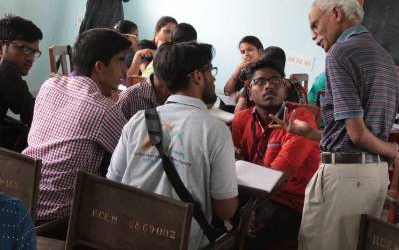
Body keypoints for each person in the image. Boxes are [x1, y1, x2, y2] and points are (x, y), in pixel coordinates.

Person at [270, 0, 399, 250]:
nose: (313, 35)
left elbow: (358, 135)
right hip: (372, 177)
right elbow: (357, 134)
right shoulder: (386, 59)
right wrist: (312, 134)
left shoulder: (340, 53)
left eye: (315, 25)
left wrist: (393, 150)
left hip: (345, 178)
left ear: (337, 13)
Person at [107, 42, 238, 249]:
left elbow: (113, 182)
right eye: (210, 71)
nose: (213, 78)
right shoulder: (215, 131)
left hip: (129, 237)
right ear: (197, 76)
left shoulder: (139, 120)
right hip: (182, 242)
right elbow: (226, 210)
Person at [22, 29, 130, 230]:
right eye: (120, 60)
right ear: (99, 66)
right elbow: (134, 154)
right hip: (57, 217)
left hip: (22, 197)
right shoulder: (103, 109)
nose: (125, 68)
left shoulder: (50, 85)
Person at [232, 59, 320, 247]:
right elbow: (239, 164)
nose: (269, 86)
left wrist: (249, 210)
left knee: (249, 235)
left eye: (275, 80)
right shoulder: (241, 119)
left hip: (290, 201)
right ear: (249, 91)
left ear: (285, 89)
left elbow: (279, 174)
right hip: (252, 194)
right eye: (260, 81)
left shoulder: (299, 119)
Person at [117, 23, 198, 120]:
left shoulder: (164, 54)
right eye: (167, 31)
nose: (169, 35)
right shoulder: (158, 53)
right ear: (157, 31)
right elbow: (139, 73)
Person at [0, 14, 43, 152]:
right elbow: (31, 114)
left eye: (34, 52)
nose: (31, 58)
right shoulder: (7, 72)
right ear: (1, 47)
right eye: (24, 49)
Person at [222, 36, 263, 113]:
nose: (246, 54)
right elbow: (227, 91)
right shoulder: (247, 69)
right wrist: (238, 68)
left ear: (260, 50)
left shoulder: (266, 69)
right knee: (225, 104)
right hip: (248, 105)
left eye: (250, 50)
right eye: (243, 52)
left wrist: (245, 93)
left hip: (261, 107)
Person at [113, 20, 155, 85]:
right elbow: (129, 81)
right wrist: (138, 54)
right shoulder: (114, 55)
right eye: (135, 36)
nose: (138, 41)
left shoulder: (125, 53)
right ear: (124, 37)